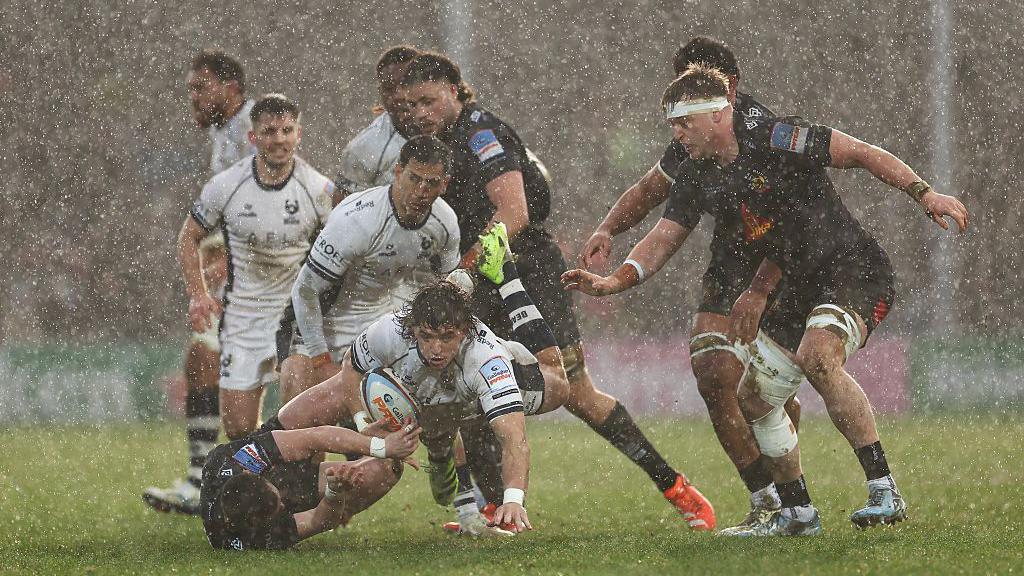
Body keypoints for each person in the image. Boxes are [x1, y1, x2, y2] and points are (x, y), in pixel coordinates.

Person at [563, 64, 967, 535]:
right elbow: (664, 236)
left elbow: (857, 153)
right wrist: (614, 282)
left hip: (849, 270)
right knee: (753, 398)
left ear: (716, 115)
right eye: (672, 125)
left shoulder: (778, 138)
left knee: (818, 357)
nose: (675, 135)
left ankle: (884, 490)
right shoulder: (696, 169)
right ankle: (798, 514)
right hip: (792, 285)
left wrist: (924, 192)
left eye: (682, 123)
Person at [398, 51, 716, 530]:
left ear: (454, 89)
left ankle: (675, 486)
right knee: (468, 386)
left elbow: (514, 214)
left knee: (574, 391)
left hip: (526, 272)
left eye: (427, 101)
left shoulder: (483, 135)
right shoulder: (434, 145)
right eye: (411, 106)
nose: (419, 113)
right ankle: (491, 511)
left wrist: (463, 271)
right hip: (482, 278)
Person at [576, 36, 802, 530]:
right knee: (712, 372)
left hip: (784, 254)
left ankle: (802, 498)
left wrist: (920, 190)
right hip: (733, 256)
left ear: (730, 90)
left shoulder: (765, 134)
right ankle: (766, 500)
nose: (684, 105)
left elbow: (811, 199)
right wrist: (609, 231)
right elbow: (653, 198)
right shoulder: (689, 143)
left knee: (766, 387)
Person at [271, 226, 571, 535]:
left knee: (558, 382)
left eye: (447, 337)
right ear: (413, 329)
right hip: (425, 394)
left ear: (464, 332)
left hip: (474, 391)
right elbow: (352, 366)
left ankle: (506, 277)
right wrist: (362, 424)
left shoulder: (486, 360)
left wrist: (514, 499)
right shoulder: (391, 330)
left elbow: (514, 438)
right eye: (426, 337)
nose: (436, 349)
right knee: (306, 407)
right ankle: (253, 464)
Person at [179, 93, 335, 442]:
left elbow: (343, 248)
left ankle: (301, 495)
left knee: (301, 423)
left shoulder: (319, 190)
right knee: (238, 430)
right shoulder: (225, 186)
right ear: (253, 137)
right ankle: (262, 491)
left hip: (295, 318)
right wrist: (198, 296)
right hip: (243, 317)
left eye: (286, 130)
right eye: (269, 132)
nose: (279, 139)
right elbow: (188, 236)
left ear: (299, 134)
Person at [143, 50, 256, 515]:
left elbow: (263, 192)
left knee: (223, 370)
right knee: (204, 363)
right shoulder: (224, 131)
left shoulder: (250, 127)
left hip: (257, 278)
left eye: (200, 87)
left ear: (230, 88)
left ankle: (216, 480)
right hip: (239, 272)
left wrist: (232, 252)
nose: (192, 97)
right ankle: (208, 478)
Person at [278, 135, 460, 401]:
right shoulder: (357, 220)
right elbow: (305, 290)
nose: (421, 190)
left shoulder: (444, 223)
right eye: (414, 178)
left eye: (431, 183)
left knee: (424, 422)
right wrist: (319, 357)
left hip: (379, 317)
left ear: (444, 185)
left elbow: (450, 289)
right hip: (324, 314)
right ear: (398, 172)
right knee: (300, 414)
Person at [201, 417, 420, 549]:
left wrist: (379, 446)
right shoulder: (258, 538)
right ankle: (346, 502)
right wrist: (335, 491)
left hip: (274, 467)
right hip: (280, 489)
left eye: (278, 500)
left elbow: (314, 437)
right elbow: (319, 521)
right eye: (279, 509)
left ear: (253, 473)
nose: (284, 506)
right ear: (258, 521)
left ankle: (357, 429)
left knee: (313, 405)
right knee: (386, 468)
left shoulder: (234, 459)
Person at [333, 45, 421, 199]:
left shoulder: (453, 124)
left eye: (406, 84)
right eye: (389, 88)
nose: (399, 95)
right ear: (380, 93)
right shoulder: (363, 148)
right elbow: (343, 213)